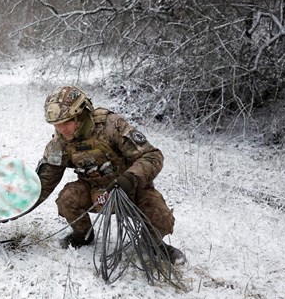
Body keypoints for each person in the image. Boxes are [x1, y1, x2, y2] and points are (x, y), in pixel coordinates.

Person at [30, 85, 185, 265]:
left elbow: (152, 155)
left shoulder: (111, 126)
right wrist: (12, 209)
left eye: (67, 121)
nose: (62, 129)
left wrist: (130, 178)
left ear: (81, 114)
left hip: (131, 188)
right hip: (96, 192)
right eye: (57, 124)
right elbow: (44, 182)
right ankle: (83, 236)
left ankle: (152, 244)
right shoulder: (59, 143)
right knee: (67, 198)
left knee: (161, 218)